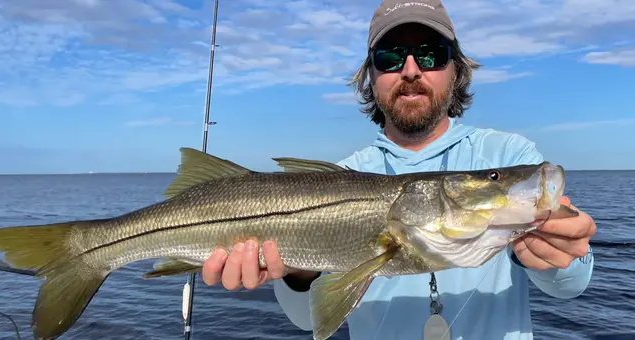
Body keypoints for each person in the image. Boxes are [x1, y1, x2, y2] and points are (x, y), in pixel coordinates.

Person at [200, 0, 597, 339]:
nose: (410, 70)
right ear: (369, 77)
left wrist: (556, 254)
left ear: (455, 70)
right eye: (389, 57)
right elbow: (306, 321)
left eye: (430, 54)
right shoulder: (341, 176)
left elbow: (572, 286)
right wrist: (297, 274)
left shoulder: (508, 153)